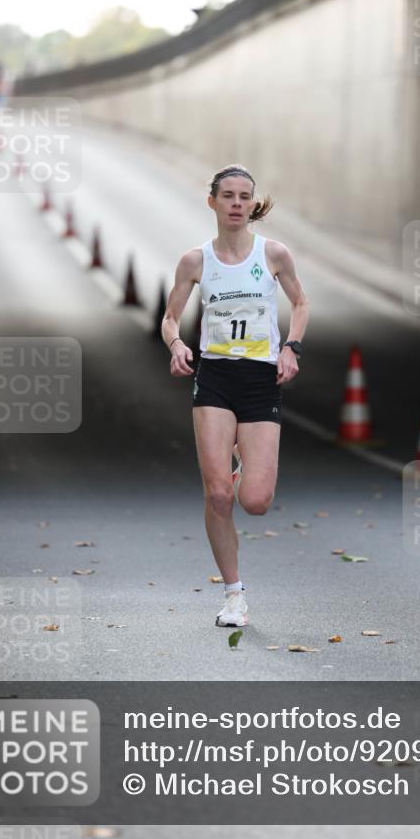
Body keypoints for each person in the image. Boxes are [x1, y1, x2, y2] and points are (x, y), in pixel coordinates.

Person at [162, 164, 310, 627]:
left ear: (253, 203)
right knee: (220, 495)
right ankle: (233, 596)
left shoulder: (274, 254)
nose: (237, 204)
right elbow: (170, 318)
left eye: (245, 196)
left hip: (260, 379)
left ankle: (245, 460)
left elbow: (301, 304)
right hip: (215, 378)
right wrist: (177, 344)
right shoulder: (195, 260)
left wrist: (291, 347)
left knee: (255, 500)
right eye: (228, 196)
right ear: (212, 202)